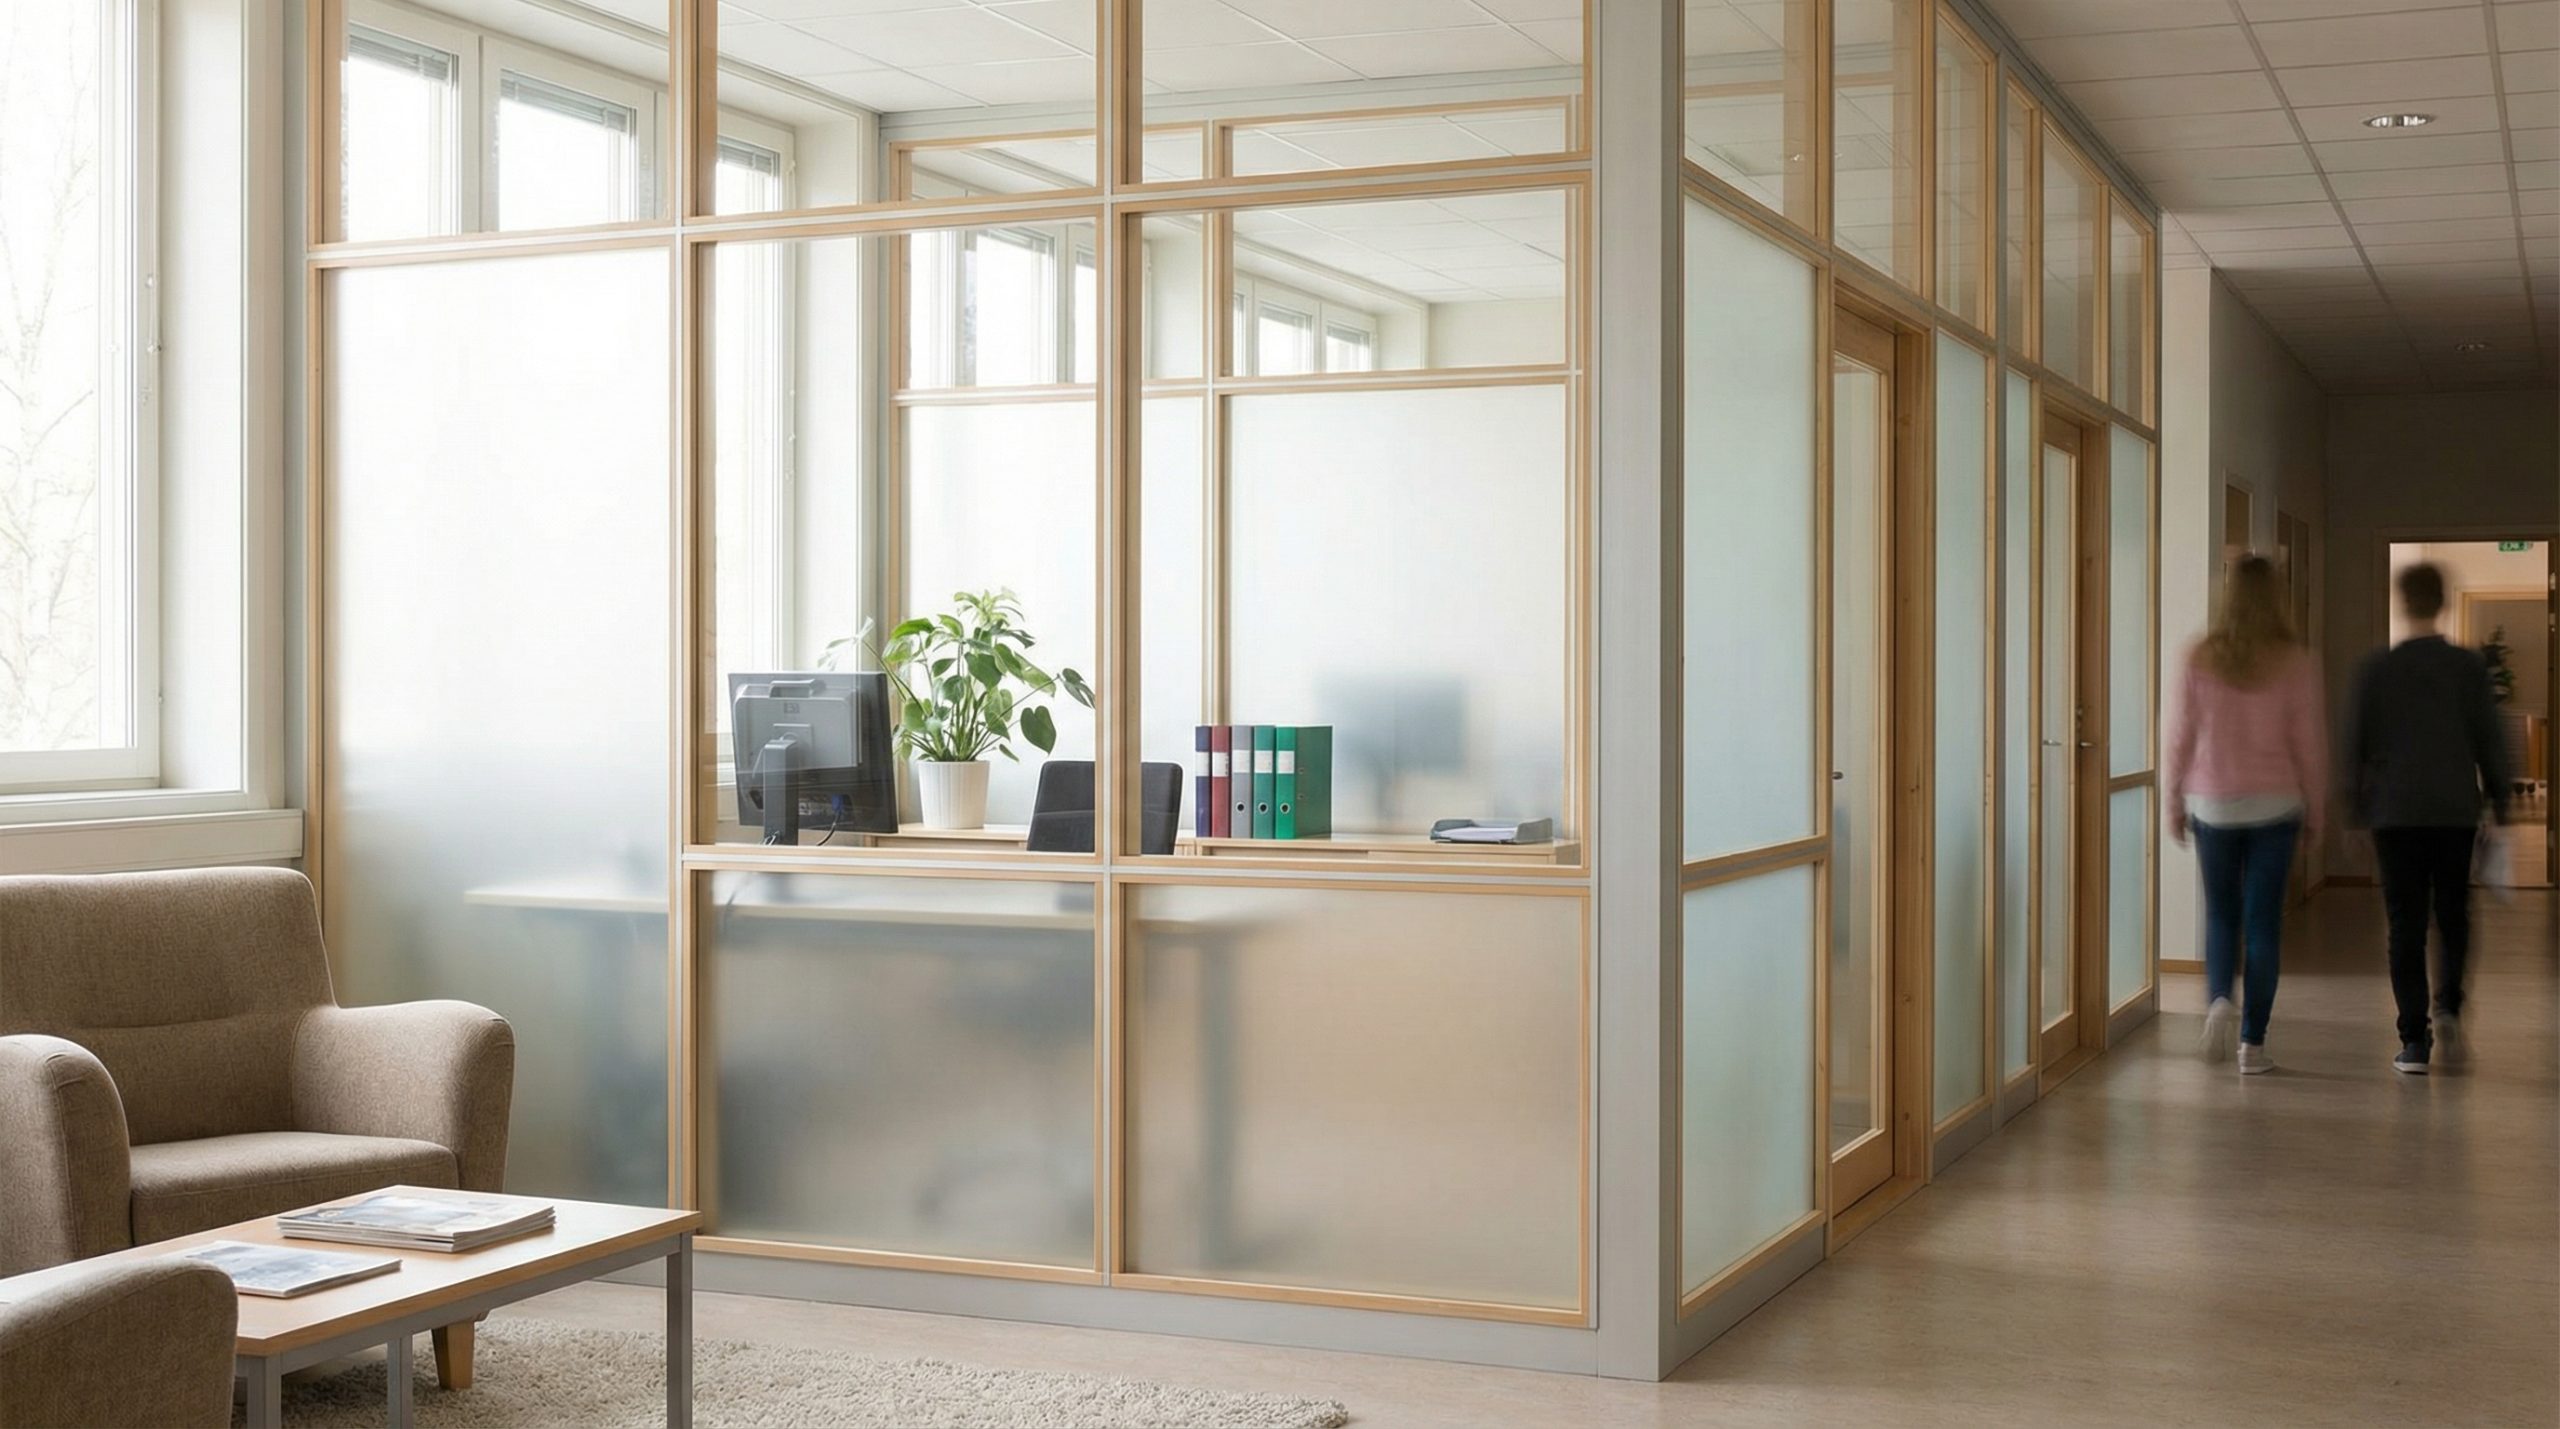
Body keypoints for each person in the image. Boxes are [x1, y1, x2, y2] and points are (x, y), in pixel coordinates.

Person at [2344, 561, 2510, 1076]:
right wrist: (2501, 804)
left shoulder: (2377, 670)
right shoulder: (2467, 668)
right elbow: (2490, 740)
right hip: (2454, 808)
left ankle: (2414, 1040)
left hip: (2396, 812)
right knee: (2454, 914)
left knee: (2405, 923)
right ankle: (2449, 1007)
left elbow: (2356, 745)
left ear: (2403, 602)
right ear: (2441, 604)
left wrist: (2354, 812)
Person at [2166, 556, 2328, 1075]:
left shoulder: (2199, 655)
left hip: (2212, 803)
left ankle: (2218, 1000)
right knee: (2262, 926)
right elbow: (2309, 745)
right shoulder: (2296, 660)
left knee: (2220, 914)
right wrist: (2317, 807)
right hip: (2276, 806)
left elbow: (2179, 737)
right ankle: (2252, 1045)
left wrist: (2173, 800)